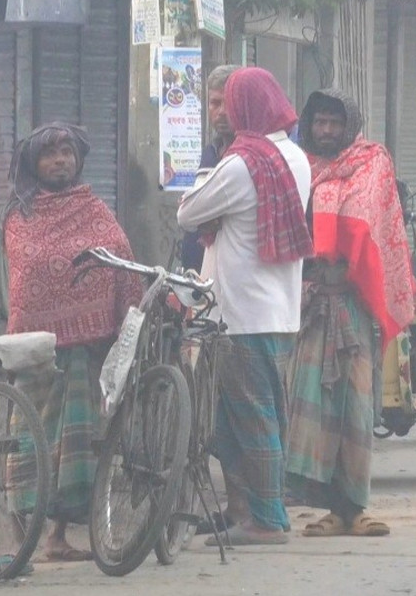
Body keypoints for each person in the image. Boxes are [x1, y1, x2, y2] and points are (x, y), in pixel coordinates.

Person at [0, 122, 143, 560]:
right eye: (50, 153)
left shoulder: (93, 207)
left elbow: (119, 253)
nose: (60, 160)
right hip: (39, 352)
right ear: (32, 163)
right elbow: (31, 267)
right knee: (31, 436)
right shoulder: (20, 213)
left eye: (67, 152)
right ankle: (23, 537)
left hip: (86, 352)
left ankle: (59, 535)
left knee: (78, 442)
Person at [177, 67, 312, 545]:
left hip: (238, 315)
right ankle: (251, 510)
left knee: (251, 418)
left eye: (228, 104)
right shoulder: (294, 157)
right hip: (276, 311)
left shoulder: (240, 165)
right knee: (248, 416)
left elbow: (188, 212)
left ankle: (268, 519)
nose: (223, 114)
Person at [285, 89, 415, 538]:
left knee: (356, 408)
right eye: (318, 122)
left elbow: (376, 227)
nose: (325, 131)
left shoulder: (373, 162)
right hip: (313, 307)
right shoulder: (297, 166)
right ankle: (329, 509)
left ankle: (357, 506)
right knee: (315, 409)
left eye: (333, 123)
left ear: (350, 125)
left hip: (355, 307)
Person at [179, 64, 242, 272]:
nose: (221, 112)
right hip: (199, 273)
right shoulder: (210, 153)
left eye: (229, 103)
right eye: (215, 103)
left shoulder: (249, 157)